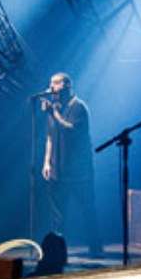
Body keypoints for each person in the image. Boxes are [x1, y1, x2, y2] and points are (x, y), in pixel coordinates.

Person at [41, 72, 102, 255]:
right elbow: (50, 136)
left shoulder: (79, 107)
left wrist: (54, 113)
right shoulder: (55, 108)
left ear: (67, 85)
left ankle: (95, 247)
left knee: (87, 209)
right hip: (57, 168)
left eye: (55, 84)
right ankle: (58, 250)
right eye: (50, 84)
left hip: (79, 171)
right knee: (58, 213)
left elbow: (71, 130)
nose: (51, 88)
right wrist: (46, 162)